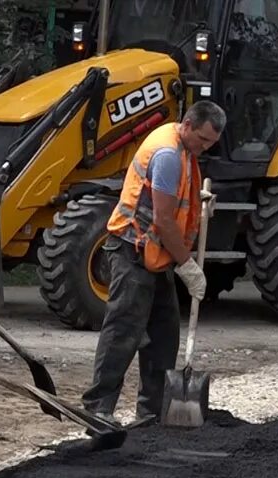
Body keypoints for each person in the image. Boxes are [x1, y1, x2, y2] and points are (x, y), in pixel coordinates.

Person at [80, 101, 226, 424]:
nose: (204, 148)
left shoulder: (185, 151)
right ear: (187, 125)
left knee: (164, 333)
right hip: (133, 250)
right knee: (123, 331)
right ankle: (98, 408)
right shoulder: (168, 155)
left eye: (211, 144)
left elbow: (173, 201)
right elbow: (162, 219)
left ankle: (150, 411)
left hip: (156, 254)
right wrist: (188, 266)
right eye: (202, 140)